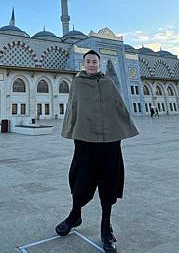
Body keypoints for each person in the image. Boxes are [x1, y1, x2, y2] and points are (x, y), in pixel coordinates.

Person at [57, 50, 139, 253]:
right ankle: (74, 215)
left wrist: (125, 128)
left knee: (109, 181)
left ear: (99, 64)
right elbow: (72, 108)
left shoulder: (108, 83)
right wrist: (70, 130)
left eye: (95, 61)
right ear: (83, 64)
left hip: (110, 140)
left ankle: (106, 226)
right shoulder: (77, 83)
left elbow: (119, 106)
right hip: (85, 139)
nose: (92, 64)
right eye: (88, 61)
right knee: (81, 179)